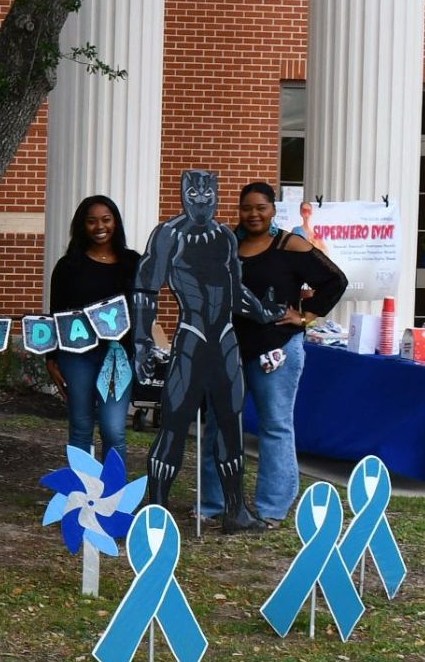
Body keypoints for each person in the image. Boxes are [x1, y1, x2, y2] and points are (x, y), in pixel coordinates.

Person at [134, 170, 287, 534]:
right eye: (194, 192)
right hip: (191, 337)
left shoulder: (224, 237)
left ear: (216, 195)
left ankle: (236, 510)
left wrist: (264, 312)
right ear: (185, 194)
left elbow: (234, 289)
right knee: (173, 424)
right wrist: (142, 342)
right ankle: (157, 510)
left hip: (226, 340)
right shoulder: (169, 234)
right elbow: (145, 288)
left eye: (208, 193)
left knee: (231, 425)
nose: (201, 199)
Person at [200, 181, 347, 523]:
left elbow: (334, 281)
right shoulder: (227, 245)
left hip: (277, 351)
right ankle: (214, 504)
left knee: (275, 426)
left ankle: (272, 508)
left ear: (272, 210)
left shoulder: (289, 244)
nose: (253, 214)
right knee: (219, 426)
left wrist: (306, 316)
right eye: (246, 208)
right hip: (229, 348)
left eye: (260, 208)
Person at [46, 195, 142, 462]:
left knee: (113, 430)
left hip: (117, 357)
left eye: (106, 220)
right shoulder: (68, 266)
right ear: (82, 226)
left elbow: (145, 310)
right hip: (77, 356)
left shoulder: (133, 263)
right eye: (91, 221)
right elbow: (56, 315)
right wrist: (51, 358)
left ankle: (115, 498)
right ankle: (81, 497)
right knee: (81, 427)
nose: (100, 226)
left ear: (116, 223)